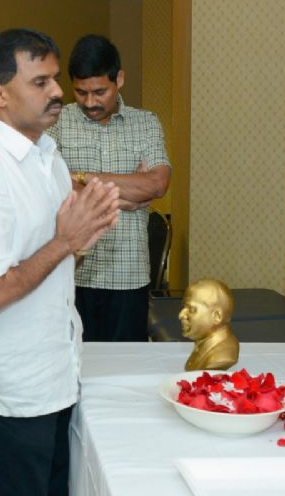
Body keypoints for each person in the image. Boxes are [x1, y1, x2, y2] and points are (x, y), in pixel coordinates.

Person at [0, 28, 119, 495]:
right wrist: (65, 241)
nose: (58, 91)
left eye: (55, 79)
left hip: (53, 377)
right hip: (8, 392)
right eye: (40, 82)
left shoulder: (48, 156)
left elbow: (51, 262)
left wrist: (81, 239)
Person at [48, 34, 171, 342]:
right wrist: (126, 196)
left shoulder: (146, 123)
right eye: (81, 92)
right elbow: (47, 183)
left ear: (119, 80)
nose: (90, 102)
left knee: (126, 365)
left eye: (99, 92)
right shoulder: (57, 121)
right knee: (72, 364)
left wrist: (80, 178)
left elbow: (157, 183)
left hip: (129, 276)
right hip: (71, 274)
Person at [179, 279, 239, 371]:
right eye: (184, 307)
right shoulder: (202, 343)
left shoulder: (223, 355)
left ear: (216, 316)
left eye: (191, 309)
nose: (181, 315)